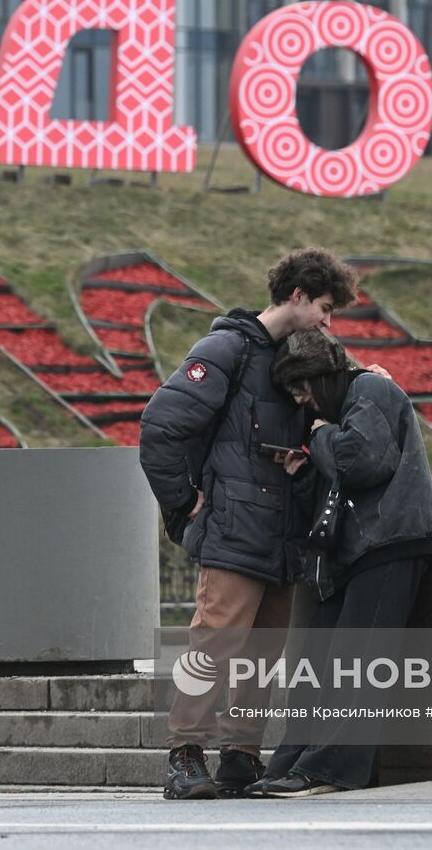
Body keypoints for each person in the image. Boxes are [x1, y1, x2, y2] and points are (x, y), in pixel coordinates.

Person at [139, 247, 360, 800]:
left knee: (263, 653)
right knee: (215, 644)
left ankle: (241, 756)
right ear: (298, 295)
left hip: (286, 534)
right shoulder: (226, 349)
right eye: (326, 309)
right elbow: (160, 428)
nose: (329, 324)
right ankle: (184, 757)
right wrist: (182, 504)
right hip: (236, 530)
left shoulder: (301, 357)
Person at [246, 329, 432, 798]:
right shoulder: (342, 406)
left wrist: (322, 437)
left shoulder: (370, 389)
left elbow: (361, 462)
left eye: (302, 387)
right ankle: (292, 763)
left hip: (389, 543)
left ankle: (331, 768)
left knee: (357, 662)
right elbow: (341, 476)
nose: (301, 400)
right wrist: (307, 464)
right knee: (319, 661)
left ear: (322, 376)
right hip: (351, 551)